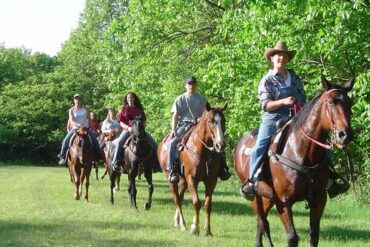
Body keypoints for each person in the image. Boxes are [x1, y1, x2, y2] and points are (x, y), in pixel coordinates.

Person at [240, 41, 350, 198]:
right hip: (274, 117)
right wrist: (283, 102)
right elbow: (266, 105)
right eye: (278, 55)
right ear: (272, 58)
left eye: (284, 55)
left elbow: (303, 98)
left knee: (322, 142)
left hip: (297, 116)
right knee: (260, 146)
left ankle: (331, 178)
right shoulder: (267, 80)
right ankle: (251, 182)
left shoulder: (294, 77)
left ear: (287, 59)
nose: (281, 58)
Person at [166, 76, 231, 183]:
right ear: (185, 86)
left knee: (218, 141)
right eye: (189, 84)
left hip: (200, 125)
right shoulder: (180, 99)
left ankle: (223, 168)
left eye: (193, 84)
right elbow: (175, 115)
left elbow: (208, 114)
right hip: (184, 125)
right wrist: (173, 129)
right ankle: (172, 169)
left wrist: (200, 119)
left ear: (196, 85)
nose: (191, 86)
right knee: (172, 142)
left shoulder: (202, 99)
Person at [111, 92, 158, 172]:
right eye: (128, 97)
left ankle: (156, 163)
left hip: (139, 131)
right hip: (127, 130)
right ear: (126, 99)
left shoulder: (139, 108)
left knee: (154, 143)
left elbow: (143, 120)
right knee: (119, 142)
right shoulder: (123, 109)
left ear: (134, 98)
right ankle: (115, 162)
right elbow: (121, 122)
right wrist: (128, 128)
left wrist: (141, 128)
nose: (130, 99)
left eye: (132, 97)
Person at [57, 94, 102, 165]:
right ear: (74, 100)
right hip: (76, 129)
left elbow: (89, 120)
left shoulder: (85, 109)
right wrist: (79, 125)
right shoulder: (71, 110)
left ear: (81, 100)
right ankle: (62, 157)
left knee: (95, 140)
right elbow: (71, 121)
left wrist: (94, 130)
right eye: (76, 99)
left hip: (85, 129)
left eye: (79, 99)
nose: (77, 100)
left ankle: (98, 157)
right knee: (66, 140)